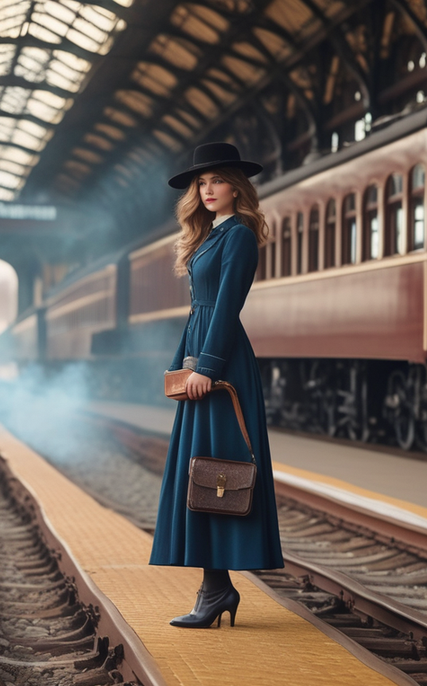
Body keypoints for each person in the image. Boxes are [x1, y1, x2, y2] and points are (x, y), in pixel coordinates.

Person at [149, 142, 284, 628]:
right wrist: (184, 363)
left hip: (222, 365)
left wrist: (207, 367)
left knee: (216, 470)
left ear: (236, 187)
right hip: (203, 359)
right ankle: (216, 586)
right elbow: (198, 310)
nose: (207, 190)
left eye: (217, 181)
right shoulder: (209, 235)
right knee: (200, 472)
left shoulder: (239, 236)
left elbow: (227, 306)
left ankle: (215, 589)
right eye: (201, 183)